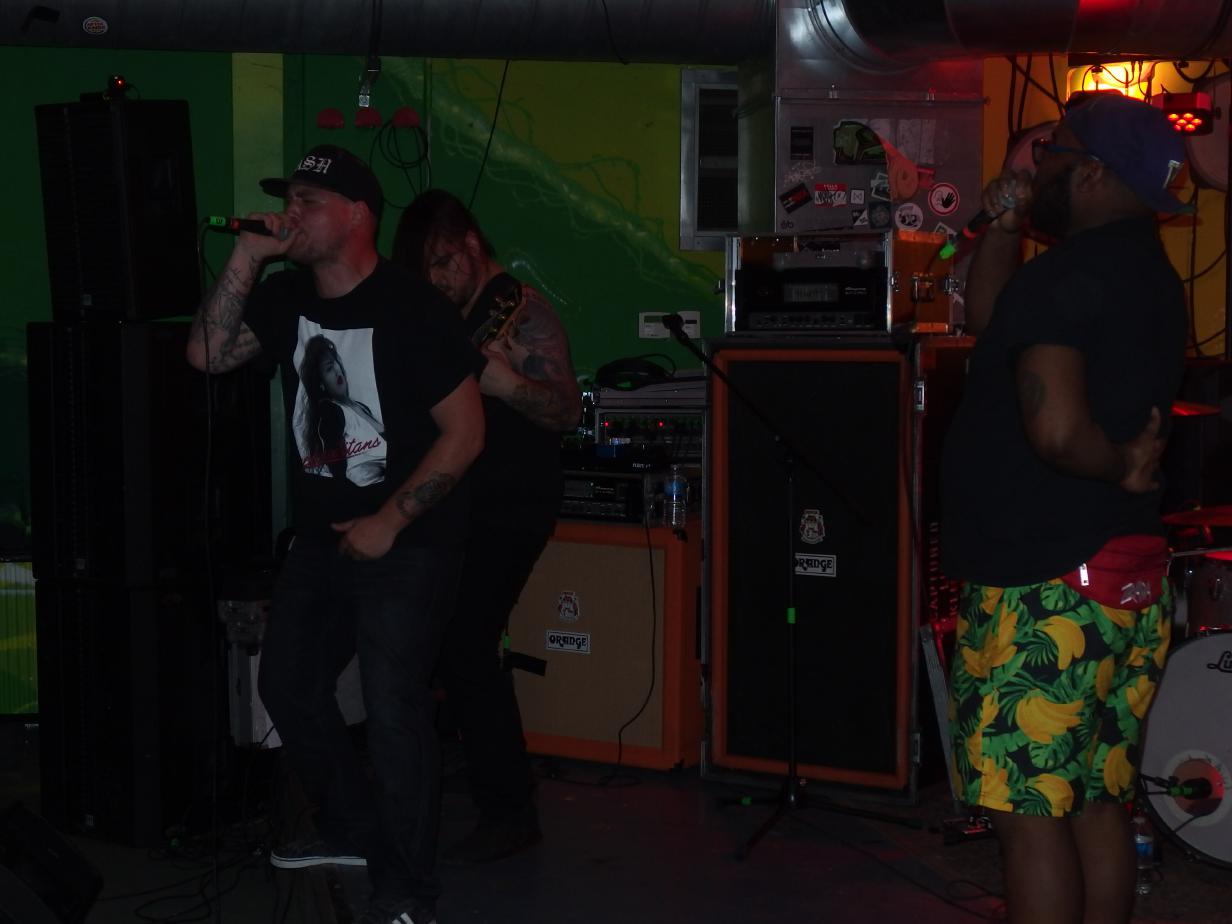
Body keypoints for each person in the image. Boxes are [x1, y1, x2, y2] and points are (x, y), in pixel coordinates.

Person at [186, 145, 484, 924]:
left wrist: (390, 521)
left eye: (307, 200)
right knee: (287, 684)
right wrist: (247, 256)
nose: (291, 212)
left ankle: (409, 886)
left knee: (392, 704)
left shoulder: (413, 308)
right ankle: (352, 832)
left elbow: (466, 432)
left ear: (357, 215)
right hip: (323, 538)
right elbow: (206, 354)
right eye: (289, 198)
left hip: (411, 539)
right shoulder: (285, 297)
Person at [941, 94, 1189, 924]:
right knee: (1096, 798)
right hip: (1121, 581)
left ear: (1089, 174)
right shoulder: (1149, 273)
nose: (1034, 164)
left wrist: (1119, 464)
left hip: (1043, 589)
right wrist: (1005, 226)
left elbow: (1055, 431)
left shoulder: (1065, 277)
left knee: (1027, 816)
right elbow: (994, 323)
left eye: (1050, 151)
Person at [394, 190, 581, 863]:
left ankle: (509, 811)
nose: (437, 279)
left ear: (471, 244)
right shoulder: (453, 315)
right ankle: (476, 775)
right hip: (463, 504)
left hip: (512, 503)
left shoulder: (521, 311)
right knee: (447, 642)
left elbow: (567, 412)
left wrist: (505, 385)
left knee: (468, 642)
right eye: (426, 269)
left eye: (444, 262)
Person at [298, 333, 386, 484]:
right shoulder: (331, 411)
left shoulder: (361, 407)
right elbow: (337, 468)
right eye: (329, 368)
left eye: (336, 362)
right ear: (321, 383)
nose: (337, 369)